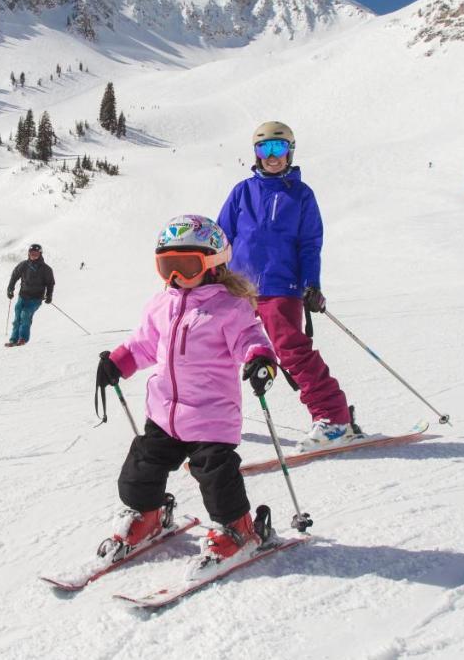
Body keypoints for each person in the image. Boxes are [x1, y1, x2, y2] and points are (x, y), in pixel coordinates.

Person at [95, 214, 280, 572]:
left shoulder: (229, 306)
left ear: (212, 265)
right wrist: (118, 363)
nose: (175, 277)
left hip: (210, 416)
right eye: (168, 267)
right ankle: (146, 515)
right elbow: (143, 345)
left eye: (186, 266)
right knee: (140, 468)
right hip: (164, 414)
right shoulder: (161, 304)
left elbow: (250, 339)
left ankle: (237, 528)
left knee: (215, 476)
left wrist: (260, 360)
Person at [217, 121, 360, 452]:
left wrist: (311, 284)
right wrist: (213, 275)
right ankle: (214, 419)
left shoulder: (301, 195)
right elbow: (221, 237)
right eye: (264, 148)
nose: (271, 156)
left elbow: (310, 244)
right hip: (238, 287)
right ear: (255, 153)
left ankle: (334, 419)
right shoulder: (242, 191)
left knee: (291, 350)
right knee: (220, 348)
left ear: (290, 151)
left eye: (278, 148)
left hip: (282, 286)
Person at [6, 243, 54, 346]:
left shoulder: (46, 269)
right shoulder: (24, 265)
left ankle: (23, 338)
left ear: (40, 254)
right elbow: (14, 275)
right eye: (32, 253)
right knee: (17, 317)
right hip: (23, 296)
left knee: (25, 314)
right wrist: (10, 288)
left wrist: (49, 295)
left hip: (35, 299)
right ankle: (13, 340)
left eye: (36, 254)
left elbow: (50, 283)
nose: (33, 256)